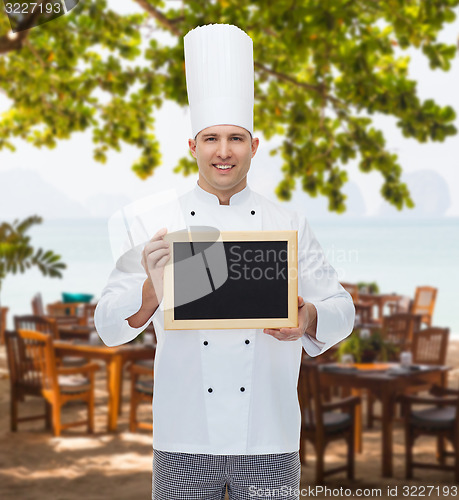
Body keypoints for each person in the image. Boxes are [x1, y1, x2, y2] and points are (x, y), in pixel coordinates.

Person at [95, 24, 354, 500]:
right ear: (193, 147)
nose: (223, 151)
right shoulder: (158, 223)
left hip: (270, 439)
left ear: (254, 146)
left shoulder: (288, 222)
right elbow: (110, 324)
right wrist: (153, 291)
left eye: (236, 138)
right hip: (182, 438)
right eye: (211, 138)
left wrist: (308, 316)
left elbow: (342, 307)